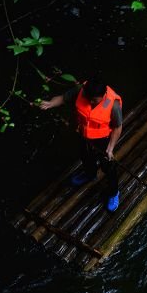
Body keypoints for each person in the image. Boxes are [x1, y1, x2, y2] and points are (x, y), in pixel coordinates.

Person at [38, 77, 123, 212]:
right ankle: (90, 174)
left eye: (94, 100)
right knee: (86, 157)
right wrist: (50, 104)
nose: (90, 102)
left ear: (103, 96)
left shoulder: (113, 106)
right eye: (88, 98)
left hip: (103, 139)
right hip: (84, 135)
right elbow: (63, 98)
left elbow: (118, 128)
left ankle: (114, 193)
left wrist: (110, 148)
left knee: (108, 167)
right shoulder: (81, 91)